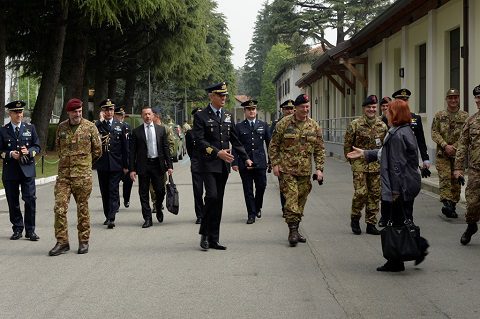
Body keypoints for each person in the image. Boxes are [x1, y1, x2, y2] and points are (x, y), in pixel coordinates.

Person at [347, 99, 426, 272]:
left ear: (395, 114)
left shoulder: (398, 134)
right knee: (402, 220)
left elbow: (396, 166)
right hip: (405, 185)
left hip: (401, 186)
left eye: (388, 111)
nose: (385, 114)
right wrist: (365, 153)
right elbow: (385, 153)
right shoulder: (399, 131)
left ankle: (399, 258)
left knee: (398, 222)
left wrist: (395, 192)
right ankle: (407, 253)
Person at [192, 81, 252, 250]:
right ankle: (204, 233)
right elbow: (199, 141)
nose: (224, 98)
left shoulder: (227, 116)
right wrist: (217, 152)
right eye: (220, 95)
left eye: (225, 95)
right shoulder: (201, 116)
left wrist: (245, 157)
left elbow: (235, 139)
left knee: (218, 201)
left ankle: (213, 239)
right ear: (212, 96)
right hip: (208, 163)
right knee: (211, 196)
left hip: (223, 166)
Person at [268, 94, 325, 247]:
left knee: (301, 200)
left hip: (305, 171)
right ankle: (292, 231)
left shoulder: (314, 126)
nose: (305, 109)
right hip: (287, 169)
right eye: (302, 107)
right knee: (291, 198)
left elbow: (319, 149)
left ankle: (296, 228)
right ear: (296, 108)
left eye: (307, 106)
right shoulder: (284, 124)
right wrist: (275, 164)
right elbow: (273, 145)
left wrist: (319, 169)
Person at [49, 98, 102, 256]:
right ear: (68, 113)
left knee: (82, 209)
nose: (78, 114)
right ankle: (62, 242)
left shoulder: (90, 127)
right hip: (64, 176)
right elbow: (59, 148)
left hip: (83, 176)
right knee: (59, 208)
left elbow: (97, 150)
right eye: (74, 112)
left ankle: (84, 241)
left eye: (79, 111)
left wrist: (84, 164)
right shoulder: (62, 128)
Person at [344, 95, 388, 235]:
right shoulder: (355, 124)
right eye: (369, 107)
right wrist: (352, 161)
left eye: (374, 107)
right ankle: (355, 217)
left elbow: (385, 146)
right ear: (364, 108)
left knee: (375, 194)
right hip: (359, 164)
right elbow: (347, 145)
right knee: (361, 193)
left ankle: (371, 223)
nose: (371, 109)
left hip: (376, 164)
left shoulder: (382, 125)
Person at [0, 100, 41, 241]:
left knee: (30, 200)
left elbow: (37, 147)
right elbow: (0, 150)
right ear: (9, 113)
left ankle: (30, 231)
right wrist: (11, 154)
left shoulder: (30, 128)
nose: (19, 114)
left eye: (21, 112)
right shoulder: (3, 130)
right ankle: (17, 228)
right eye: (16, 112)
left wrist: (28, 151)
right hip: (10, 171)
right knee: (13, 201)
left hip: (27, 170)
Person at [129, 107, 173, 228]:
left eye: (149, 114)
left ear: (153, 116)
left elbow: (165, 148)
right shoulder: (136, 132)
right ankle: (147, 218)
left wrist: (169, 166)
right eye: (145, 114)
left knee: (160, 190)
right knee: (143, 193)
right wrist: (132, 169)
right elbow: (132, 152)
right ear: (142, 116)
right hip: (143, 165)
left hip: (157, 165)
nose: (147, 116)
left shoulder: (161, 130)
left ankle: (158, 208)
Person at [232, 99, 271, 224]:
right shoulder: (239, 127)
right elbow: (236, 145)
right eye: (249, 109)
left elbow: (270, 144)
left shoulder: (263, 125)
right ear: (245, 111)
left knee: (261, 186)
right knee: (248, 190)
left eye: (253, 109)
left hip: (260, 162)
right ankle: (251, 214)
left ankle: (257, 206)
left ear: (256, 110)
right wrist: (234, 163)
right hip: (245, 162)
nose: (251, 111)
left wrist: (272, 161)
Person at [431, 89, 468, 218]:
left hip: (458, 155)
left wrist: (455, 147)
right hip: (443, 154)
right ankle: (446, 203)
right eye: (450, 98)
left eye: (455, 97)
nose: (453, 100)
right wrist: (445, 145)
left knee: (456, 181)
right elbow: (434, 132)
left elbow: (465, 135)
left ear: (458, 99)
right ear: (446, 99)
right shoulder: (439, 115)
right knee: (445, 178)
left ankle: (452, 205)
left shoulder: (465, 116)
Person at [94, 99, 129, 229]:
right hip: (102, 164)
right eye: (106, 109)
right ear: (102, 111)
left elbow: (125, 148)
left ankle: (111, 217)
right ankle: (107, 214)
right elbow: (94, 134)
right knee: (104, 191)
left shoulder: (120, 126)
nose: (109, 112)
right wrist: (101, 121)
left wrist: (126, 166)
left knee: (113, 190)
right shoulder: (98, 125)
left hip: (116, 164)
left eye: (111, 109)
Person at [454, 84, 480, 245]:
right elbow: (462, 145)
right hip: (476, 170)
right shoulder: (471, 121)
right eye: (476, 97)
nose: (478, 100)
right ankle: (471, 226)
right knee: (472, 203)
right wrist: (458, 168)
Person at [392, 88, 430, 169]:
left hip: (411, 158)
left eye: (405, 100)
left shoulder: (415, 118)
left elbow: (421, 140)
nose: (404, 103)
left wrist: (425, 158)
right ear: (395, 102)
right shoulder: (389, 118)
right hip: (394, 159)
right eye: (401, 100)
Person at [149, 107, 175, 222]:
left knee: (161, 185)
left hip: (161, 163)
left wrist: (166, 158)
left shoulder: (165, 129)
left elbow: (171, 144)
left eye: (151, 115)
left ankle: (158, 202)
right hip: (149, 162)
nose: (148, 117)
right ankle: (155, 203)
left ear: (157, 116)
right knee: (150, 185)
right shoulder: (148, 128)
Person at [270, 99, 296, 217]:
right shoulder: (277, 124)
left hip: (297, 162)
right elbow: (272, 144)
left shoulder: (300, 122)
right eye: (287, 109)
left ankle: (294, 208)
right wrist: (273, 162)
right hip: (283, 161)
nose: (289, 111)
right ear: (282, 110)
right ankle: (285, 208)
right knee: (284, 186)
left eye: (291, 108)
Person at [185, 107, 204, 224]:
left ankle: (208, 212)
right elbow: (189, 150)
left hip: (209, 164)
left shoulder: (208, 130)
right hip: (197, 164)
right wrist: (195, 160)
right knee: (198, 191)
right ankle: (200, 215)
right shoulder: (190, 133)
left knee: (211, 192)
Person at [114, 106, 133, 208]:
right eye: (119, 115)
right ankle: (116, 203)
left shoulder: (127, 127)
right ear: (115, 115)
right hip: (116, 160)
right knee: (114, 183)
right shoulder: (112, 127)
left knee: (128, 182)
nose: (121, 117)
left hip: (127, 159)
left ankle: (126, 199)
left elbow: (130, 145)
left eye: (122, 115)